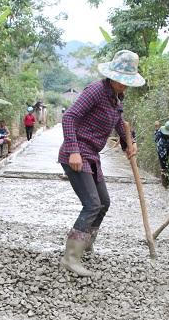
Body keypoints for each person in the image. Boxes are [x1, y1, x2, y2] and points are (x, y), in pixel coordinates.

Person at [58, 49, 144, 277]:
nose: (124, 85)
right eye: (121, 80)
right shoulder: (96, 91)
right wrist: (74, 151)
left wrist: (129, 143)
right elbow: (69, 118)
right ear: (112, 75)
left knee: (104, 202)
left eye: (128, 81)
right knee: (92, 203)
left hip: (92, 155)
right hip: (76, 153)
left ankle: (85, 243)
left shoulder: (117, 98)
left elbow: (118, 123)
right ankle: (71, 257)